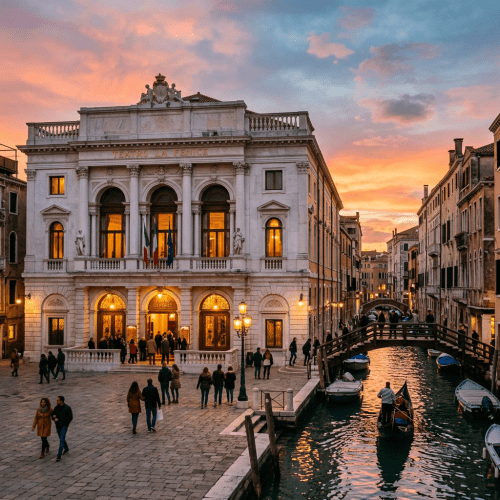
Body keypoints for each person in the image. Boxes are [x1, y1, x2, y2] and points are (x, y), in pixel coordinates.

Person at [52, 395, 73, 461]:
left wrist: (66, 425)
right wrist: (54, 418)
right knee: (62, 438)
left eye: (58, 400)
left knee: (61, 440)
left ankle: (59, 455)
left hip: (64, 427)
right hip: (58, 426)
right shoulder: (56, 408)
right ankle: (66, 448)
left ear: (61, 401)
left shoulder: (67, 408)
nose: (56, 401)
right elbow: (53, 415)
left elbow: (70, 417)